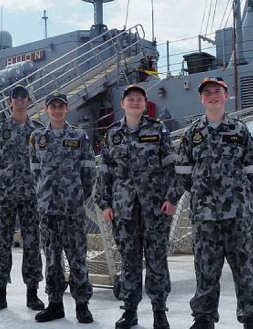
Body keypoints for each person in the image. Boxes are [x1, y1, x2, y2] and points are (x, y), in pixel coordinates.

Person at [175, 77, 253, 329]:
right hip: (204, 215)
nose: (212, 96)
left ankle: (251, 317)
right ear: (201, 99)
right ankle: (203, 318)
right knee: (205, 268)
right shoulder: (192, 133)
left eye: (217, 91)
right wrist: (202, 194)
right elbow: (183, 171)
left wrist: (236, 192)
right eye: (207, 93)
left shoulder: (240, 130)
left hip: (238, 213)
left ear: (226, 96)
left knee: (245, 266)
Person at [95, 85, 178, 329]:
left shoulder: (157, 129)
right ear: (123, 104)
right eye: (130, 99)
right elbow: (105, 172)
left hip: (155, 209)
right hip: (123, 210)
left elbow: (171, 167)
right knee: (129, 262)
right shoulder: (112, 135)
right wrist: (104, 203)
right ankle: (129, 311)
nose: (134, 102)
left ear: (145, 104)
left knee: (156, 262)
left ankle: (159, 313)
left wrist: (172, 199)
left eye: (139, 99)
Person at [29, 92, 95, 324]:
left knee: (77, 258)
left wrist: (76, 195)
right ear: (46, 109)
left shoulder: (78, 135)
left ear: (67, 109)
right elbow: (35, 170)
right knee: (52, 258)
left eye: (61, 106)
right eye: (53, 106)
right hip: (47, 209)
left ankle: (82, 305)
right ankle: (55, 304)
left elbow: (89, 171)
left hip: (72, 209)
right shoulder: (37, 137)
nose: (57, 110)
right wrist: (46, 193)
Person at [0, 85, 45, 312]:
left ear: (28, 101)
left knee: (32, 244)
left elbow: (44, 164)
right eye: (15, 97)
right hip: (4, 196)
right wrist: (1, 182)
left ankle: (32, 294)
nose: (19, 100)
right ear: (10, 102)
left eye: (23, 97)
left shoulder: (38, 131)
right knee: (1, 244)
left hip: (31, 196)